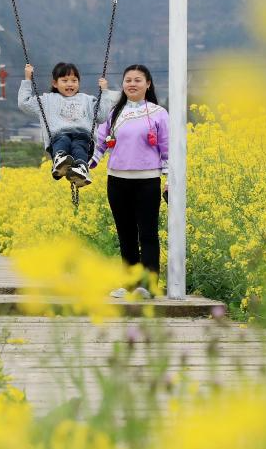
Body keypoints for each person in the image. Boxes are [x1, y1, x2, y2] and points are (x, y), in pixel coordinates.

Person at [90, 64, 169, 299]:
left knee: (148, 234)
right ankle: (130, 284)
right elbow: (101, 143)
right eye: (128, 80)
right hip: (117, 181)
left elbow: (167, 148)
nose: (132, 84)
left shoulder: (158, 113)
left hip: (147, 181)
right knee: (125, 235)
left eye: (137, 80)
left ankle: (149, 285)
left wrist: (170, 179)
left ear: (148, 84)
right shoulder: (114, 113)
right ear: (123, 84)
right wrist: (86, 165)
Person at [18, 62, 120, 187]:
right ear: (55, 83)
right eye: (65, 80)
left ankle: (81, 169)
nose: (70, 84)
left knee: (79, 145)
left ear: (78, 83)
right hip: (58, 136)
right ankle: (60, 159)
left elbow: (102, 116)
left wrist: (104, 92)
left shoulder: (87, 100)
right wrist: (27, 79)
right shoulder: (47, 100)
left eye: (74, 80)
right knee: (63, 139)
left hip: (83, 137)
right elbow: (24, 103)